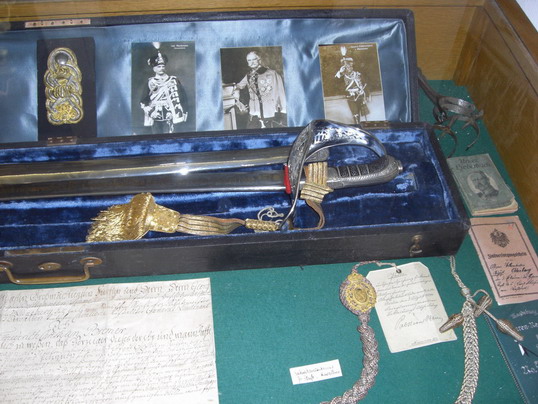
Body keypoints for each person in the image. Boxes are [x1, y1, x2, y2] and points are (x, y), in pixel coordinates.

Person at [233, 51, 287, 129]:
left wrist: (283, 111)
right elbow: (238, 86)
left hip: (269, 113)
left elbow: (281, 93)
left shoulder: (272, 74)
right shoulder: (248, 75)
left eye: (254, 59)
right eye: (249, 60)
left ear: (259, 60)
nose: (252, 62)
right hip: (254, 113)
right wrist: (236, 91)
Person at [140, 51, 188, 134]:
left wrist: (176, 113)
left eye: (163, 66)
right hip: (155, 117)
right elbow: (143, 102)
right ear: (154, 68)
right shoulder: (150, 82)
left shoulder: (174, 80)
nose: (161, 68)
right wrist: (151, 113)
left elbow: (183, 98)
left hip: (171, 116)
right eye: (159, 66)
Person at [335, 57, 369, 124]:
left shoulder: (358, 74)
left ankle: (358, 124)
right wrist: (340, 72)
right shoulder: (343, 76)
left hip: (359, 95)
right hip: (350, 96)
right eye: (347, 67)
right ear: (344, 68)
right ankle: (357, 125)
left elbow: (364, 84)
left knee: (358, 112)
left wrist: (367, 95)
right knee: (355, 113)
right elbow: (335, 82)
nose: (349, 68)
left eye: (350, 66)